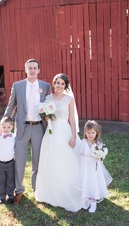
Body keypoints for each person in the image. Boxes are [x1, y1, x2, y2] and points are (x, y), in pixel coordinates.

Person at [2, 58, 51, 204]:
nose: (32, 70)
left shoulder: (45, 86)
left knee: (37, 160)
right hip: (22, 128)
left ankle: (37, 188)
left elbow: (49, 106)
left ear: (39, 70)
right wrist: (3, 123)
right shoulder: (17, 86)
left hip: (38, 128)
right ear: (26, 70)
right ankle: (19, 190)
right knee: (19, 161)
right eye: (29, 68)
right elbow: (11, 106)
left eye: (35, 68)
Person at [34, 73, 83, 212]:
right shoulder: (48, 98)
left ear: (65, 86)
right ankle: (50, 193)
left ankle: (66, 191)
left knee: (65, 161)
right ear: (54, 84)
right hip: (51, 133)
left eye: (62, 83)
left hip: (64, 132)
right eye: (57, 83)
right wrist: (46, 116)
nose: (59, 86)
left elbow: (72, 120)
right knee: (51, 161)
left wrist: (73, 137)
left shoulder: (69, 99)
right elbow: (45, 116)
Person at [77, 120, 112, 213]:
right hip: (85, 166)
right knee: (86, 181)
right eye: (88, 132)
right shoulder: (83, 142)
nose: (91, 134)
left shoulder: (98, 144)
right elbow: (80, 152)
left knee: (93, 182)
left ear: (96, 133)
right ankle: (88, 199)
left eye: (93, 132)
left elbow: (101, 154)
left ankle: (93, 202)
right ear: (85, 132)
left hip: (94, 166)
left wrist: (100, 155)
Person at [0, 117, 16, 204]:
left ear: (12, 126)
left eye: (8, 127)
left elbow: (15, 150)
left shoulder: (13, 137)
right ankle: (1, 196)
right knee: (0, 180)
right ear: (0, 127)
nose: (6, 129)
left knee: (10, 180)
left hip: (10, 163)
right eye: (4, 127)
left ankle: (10, 195)